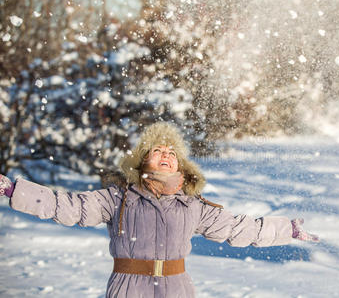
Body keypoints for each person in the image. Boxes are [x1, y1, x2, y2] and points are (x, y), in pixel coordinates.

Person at [0, 122, 319, 297]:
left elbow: (239, 228)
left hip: (178, 288)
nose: (166, 155)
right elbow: (67, 206)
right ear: (142, 162)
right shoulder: (118, 198)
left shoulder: (194, 206)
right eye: (157, 151)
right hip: (128, 287)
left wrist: (286, 229)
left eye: (172, 153)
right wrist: (15, 190)